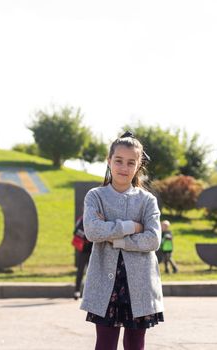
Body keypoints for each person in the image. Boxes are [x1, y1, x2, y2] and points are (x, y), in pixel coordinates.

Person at [80, 132, 164, 350]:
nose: (123, 168)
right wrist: (132, 227)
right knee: (105, 344)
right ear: (109, 161)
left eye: (130, 162)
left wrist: (118, 240)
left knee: (135, 345)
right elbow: (93, 232)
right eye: (118, 161)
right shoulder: (95, 196)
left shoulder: (147, 201)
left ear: (138, 166)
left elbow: (153, 240)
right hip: (104, 284)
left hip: (141, 283)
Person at [73, 214, 93, 300]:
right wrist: (86, 235)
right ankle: (77, 291)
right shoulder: (81, 219)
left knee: (92, 272)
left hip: (93, 251)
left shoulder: (96, 219)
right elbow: (75, 231)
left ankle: (89, 293)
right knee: (80, 271)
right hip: (83, 250)